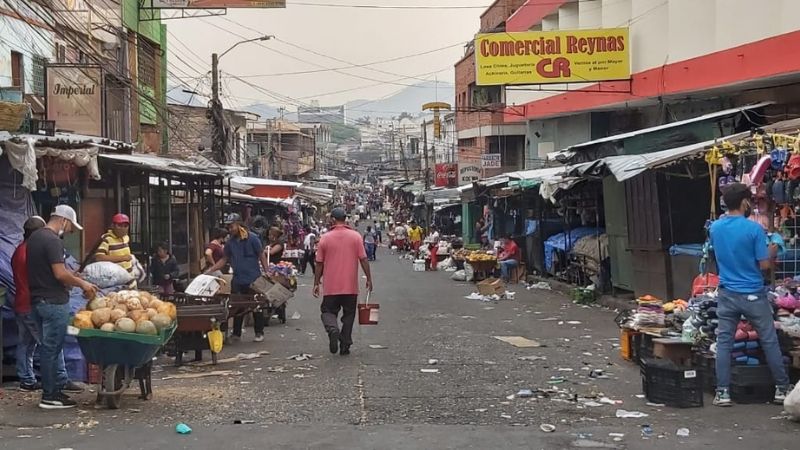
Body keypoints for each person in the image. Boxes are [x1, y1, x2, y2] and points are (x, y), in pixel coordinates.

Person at [709, 183, 793, 406]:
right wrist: (775, 245)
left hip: (727, 293)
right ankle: (782, 389)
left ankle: (722, 392)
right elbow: (764, 264)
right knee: (769, 340)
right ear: (745, 202)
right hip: (753, 293)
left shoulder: (715, 228)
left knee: (724, 343)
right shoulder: (753, 229)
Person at [28, 205, 97, 409]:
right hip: (53, 302)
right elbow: (59, 273)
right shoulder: (52, 241)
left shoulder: (35, 239)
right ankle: (50, 396)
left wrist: (72, 276)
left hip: (37, 301)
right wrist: (82, 284)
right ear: (64, 220)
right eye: (70, 227)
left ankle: (55, 390)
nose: (69, 231)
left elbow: (52, 271)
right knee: (52, 349)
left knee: (48, 348)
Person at [313, 207, 374, 356]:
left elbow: (319, 263)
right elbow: (363, 259)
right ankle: (345, 344)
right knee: (349, 315)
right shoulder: (355, 236)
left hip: (331, 287)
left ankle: (332, 329)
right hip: (350, 287)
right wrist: (369, 279)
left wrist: (316, 283)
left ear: (333, 219)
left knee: (327, 311)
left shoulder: (325, 238)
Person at [205, 213, 270, 342]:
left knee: (256, 306)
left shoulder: (253, 238)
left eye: (231, 226)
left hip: (253, 279)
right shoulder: (230, 243)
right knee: (237, 307)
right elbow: (224, 259)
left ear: (239, 225)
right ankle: (236, 334)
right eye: (228, 227)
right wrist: (211, 270)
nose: (230, 229)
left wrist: (267, 271)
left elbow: (261, 254)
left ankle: (259, 332)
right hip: (238, 279)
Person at [94, 213, 135, 286]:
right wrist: (122, 258)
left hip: (130, 280)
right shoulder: (107, 239)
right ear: (113, 226)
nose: (123, 228)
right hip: (117, 283)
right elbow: (99, 257)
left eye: (125, 226)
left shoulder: (126, 238)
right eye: (119, 225)